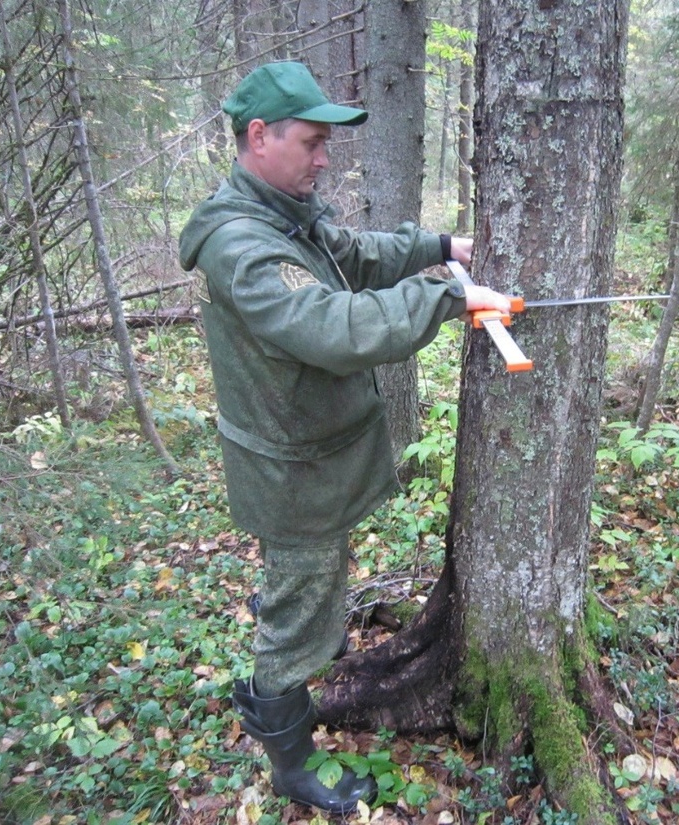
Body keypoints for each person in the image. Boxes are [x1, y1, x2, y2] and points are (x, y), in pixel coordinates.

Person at [177, 61, 512, 814]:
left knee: (308, 600)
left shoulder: (285, 215)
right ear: (258, 137)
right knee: (296, 623)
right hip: (294, 478)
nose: (324, 158)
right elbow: (333, 325)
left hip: (312, 459)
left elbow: (353, 259)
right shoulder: (244, 246)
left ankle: (288, 663)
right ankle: (293, 764)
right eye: (312, 142)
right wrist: (445, 296)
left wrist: (439, 248)